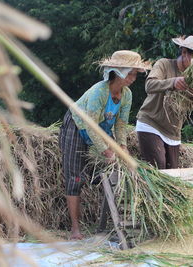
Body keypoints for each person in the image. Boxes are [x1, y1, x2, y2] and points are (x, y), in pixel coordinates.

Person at [59, 50, 150, 239]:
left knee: (114, 172)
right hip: (78, 126)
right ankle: (75, 229)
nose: (133, 78)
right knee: (75, 177)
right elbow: (90, 127)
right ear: (119, 72)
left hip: (100, 128)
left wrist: (122, 146)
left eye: (135, 74)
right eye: (131, 73)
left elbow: (120, 124)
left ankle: (113, 224)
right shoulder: (99, 92)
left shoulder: (127, 95)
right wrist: (106, 151)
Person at [136, 36, 193, 169]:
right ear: (183, 52)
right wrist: (172, 82)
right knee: (158, 166)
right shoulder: (164, 64)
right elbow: (149, 85)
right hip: (151, 123)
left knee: (172, 172)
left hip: (173, 132)